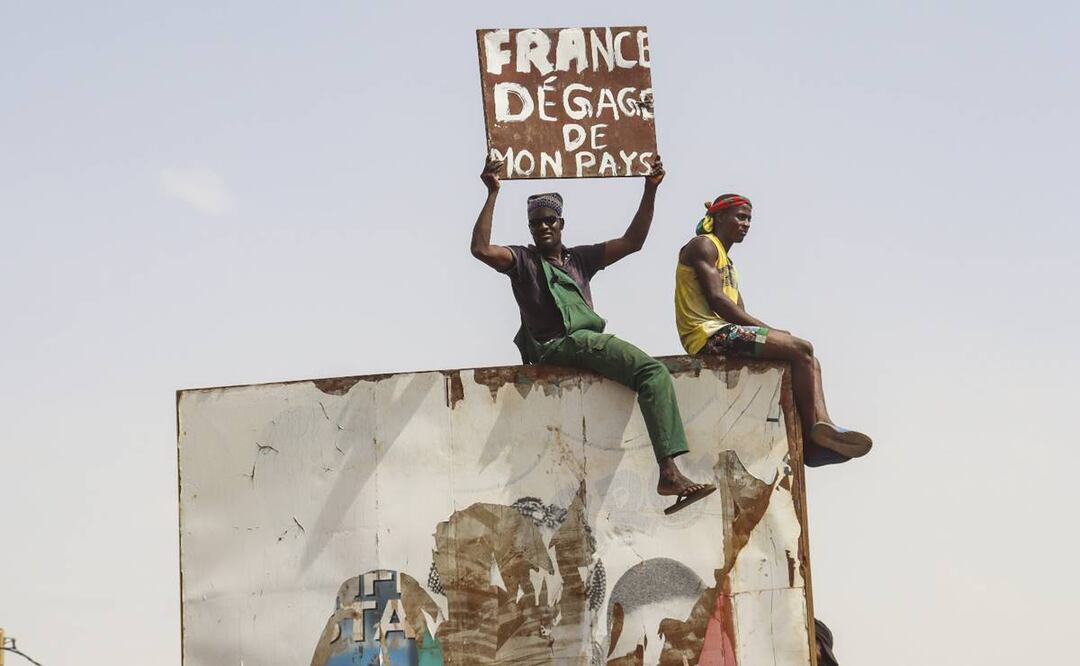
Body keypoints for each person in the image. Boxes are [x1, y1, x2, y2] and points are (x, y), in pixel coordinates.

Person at [470, 155, 714, 514]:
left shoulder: (579, 260)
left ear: (561, 223)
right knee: (652, 372)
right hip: (560, 344)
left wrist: (650, 189)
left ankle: (669, 472)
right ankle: (668, 473)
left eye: (549, 220)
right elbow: (480, 249)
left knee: (646, 371)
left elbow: (632, 241)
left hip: (583, 344)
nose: (543, 227)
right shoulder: (522, 261)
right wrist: (492, 193)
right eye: (536, 223)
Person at [675, 194, 873, 466]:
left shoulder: (728, 263)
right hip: (707, 336)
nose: (746, 224)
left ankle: (820, 430)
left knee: (809, 360)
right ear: (719, 216)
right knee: (801, 348)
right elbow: (718, 302)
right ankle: (815, 437)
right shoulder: (703, 245)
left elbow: (738, 311)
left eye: (749, 219)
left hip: (723, 333)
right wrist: (774, 333)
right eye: (740, 217)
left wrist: (777, 336)